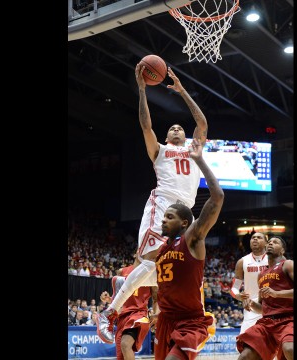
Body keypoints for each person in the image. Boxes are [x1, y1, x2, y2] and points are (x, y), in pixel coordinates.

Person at [97, 61, 209, 343]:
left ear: (184, 136)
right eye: (171, 128)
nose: (175, 129)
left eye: (179, 128)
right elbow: (145, 125)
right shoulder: (159, 151)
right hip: (163, 208)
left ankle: (126, 282)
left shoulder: (193, 150)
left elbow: (202, 123)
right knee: (150, 262)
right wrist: (142, 90)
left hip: (187, 215)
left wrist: (182, 91)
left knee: (177, 272)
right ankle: (109, 312)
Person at [151, 137, 224, 360]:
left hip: (190, 320)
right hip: (165, 320)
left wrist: (199, 160)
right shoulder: (162, 249)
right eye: (164, 216)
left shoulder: (192, 238)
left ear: (184, 223)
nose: (163, 221)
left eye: (169, 217)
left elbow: (218, 197)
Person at [236, 236, 294, 360]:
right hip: (267, 322)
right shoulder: (261, 275)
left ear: (282, 250)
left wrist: (277, 294)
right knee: (245, 356)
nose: (271, 244)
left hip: (288, 318)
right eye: (269, 242)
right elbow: (262, 308)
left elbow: (275, 294)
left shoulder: (288, 264)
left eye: (275, 242)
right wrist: (250, 303)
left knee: (290, 349)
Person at [99, 264, 159, 360]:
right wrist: (109, 299)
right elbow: (119, 297)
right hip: (122, 316)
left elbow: (156, 299)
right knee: (121, 356)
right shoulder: (122, 271)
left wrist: (156, 315)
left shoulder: (151, 271)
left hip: (139, 314)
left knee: (126, 344)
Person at [229, 232, 269, 335]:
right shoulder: (242, 261)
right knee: (244, 344)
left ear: (266, 243)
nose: (255, 239)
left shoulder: (273, 260)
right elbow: (234, 288)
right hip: (250, 306)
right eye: (253, 238)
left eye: (259, 237)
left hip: (271, 305)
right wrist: (239, 296)